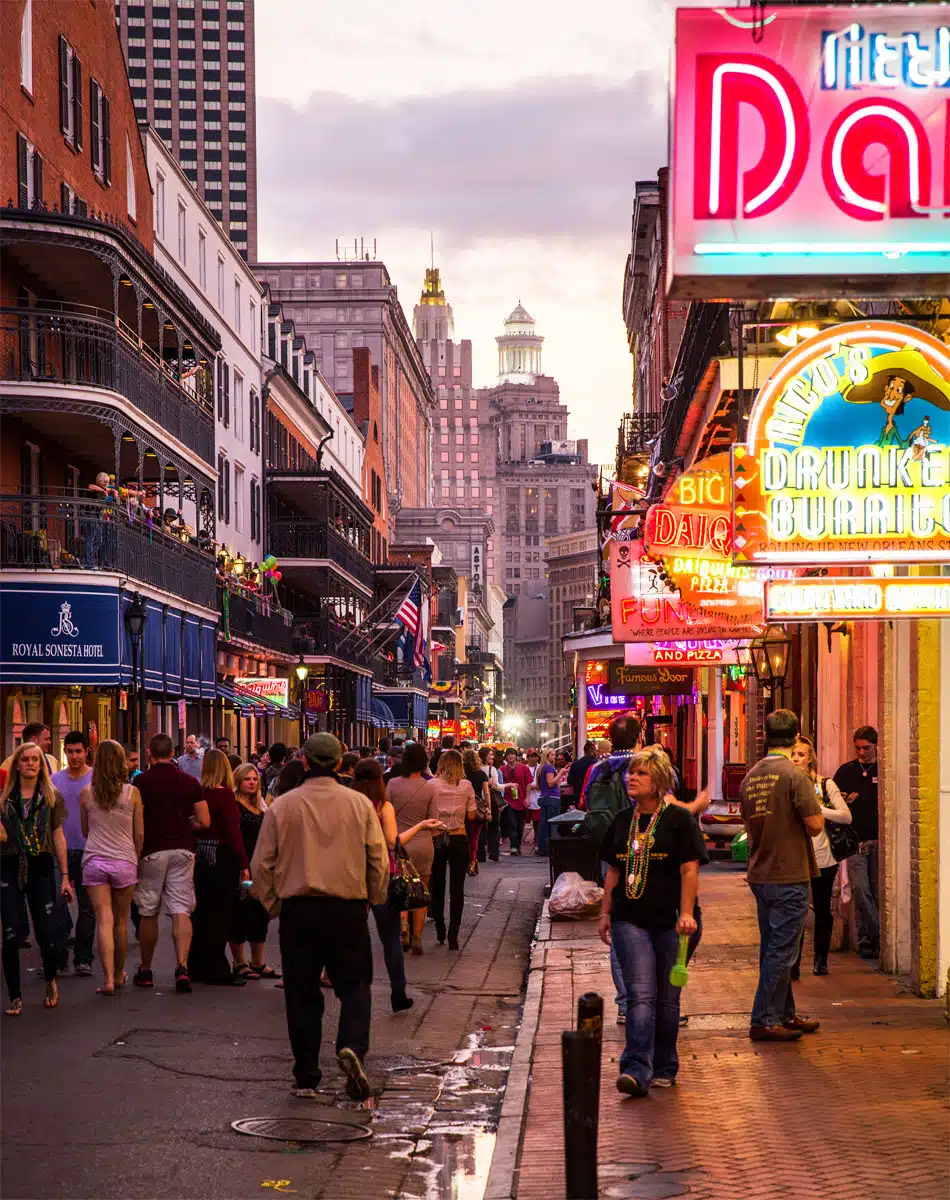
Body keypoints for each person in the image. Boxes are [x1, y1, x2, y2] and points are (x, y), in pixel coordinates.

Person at [251, 733, 389, 1101]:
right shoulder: (359, 805)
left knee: (301, 993)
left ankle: (307, 1076)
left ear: (306, 762)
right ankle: (351, 1047)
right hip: (347, 908)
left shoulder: (282, 806)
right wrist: (372, 898)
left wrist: (272, 903)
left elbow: (261, 863)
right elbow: (379, 858)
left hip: (300, 909)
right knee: (355, 986)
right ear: (342, 763)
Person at [598, 745, 704, 1096]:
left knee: (667, 1001)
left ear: (657, 781)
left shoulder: (678, 821)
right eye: (631, 772)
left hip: (672, 920)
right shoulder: (622, 822)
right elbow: (613, 869)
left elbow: (689, 869)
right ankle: (636, 1069)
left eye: (641, 773)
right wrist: (605, 912)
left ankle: (665, 1065)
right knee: (640, 996)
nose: (632, 777)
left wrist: (687, 913)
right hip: (631, 919)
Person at [739, 710, 824, 1043]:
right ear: (796, 737)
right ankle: (764, 1018)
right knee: (783, 952)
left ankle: (785, 1013)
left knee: (773, 948)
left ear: (766, 737)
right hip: (789, 873)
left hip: (761, 872)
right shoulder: (794, 775)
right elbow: (815, 825)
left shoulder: (752, 776)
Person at [353, 759, 442, 1008]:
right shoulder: (383, 807)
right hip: (383, 875)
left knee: (356, 937)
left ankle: (357, 992)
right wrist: (422, 825)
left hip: (353, 876)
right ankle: (398, 992)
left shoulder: (349, 806)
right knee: (390, 937)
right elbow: (393, 842)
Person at [133, 733, 210, 993]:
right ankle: (182, 966)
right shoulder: (189, 782)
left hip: (152, 850)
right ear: (173, 752)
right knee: (181, 909)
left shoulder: (140, 783)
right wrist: (186, 823)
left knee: (148, 910)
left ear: (149, 753)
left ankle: (145, 969)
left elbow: (137, 821)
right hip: (183, 849)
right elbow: (204, 820)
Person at [1, 744, 73, 1014]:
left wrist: (65, 876)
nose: (30, 764)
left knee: (47, 932)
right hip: (9, 866)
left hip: (42, 866)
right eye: (25, 760)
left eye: (35, 760)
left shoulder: (51, 798)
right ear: (17, 765)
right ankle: (15, 996)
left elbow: (58, 837)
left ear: (41, 765)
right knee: (10, 933)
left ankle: (51, 980)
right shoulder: (4, 800)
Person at [80, 740, 144, 995]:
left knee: (103, 921)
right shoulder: (132, 794)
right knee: (120, 921)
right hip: (124, 860)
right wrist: (134, 858)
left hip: (94, 859)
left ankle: (106, 980)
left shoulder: (87, 793)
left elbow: (86, 830)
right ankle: (119, 974)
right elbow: (139, 833)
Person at [790, 736, 852, 977]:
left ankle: (820, 959)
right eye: (793, 755)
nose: (796, 759)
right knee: (796, 911)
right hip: (795, 859)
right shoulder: (787, 784)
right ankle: (793, 965)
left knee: (822, 909)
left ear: (811, 758)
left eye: (801, 755)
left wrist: (818, 810)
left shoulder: (825, 784)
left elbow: (846, 817)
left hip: (823, 858)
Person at [189, 750, 250, 986]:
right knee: (221, 913)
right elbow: (233, 831)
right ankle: (217, 967)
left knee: (202, 912)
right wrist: (244, 864)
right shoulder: (225, 796)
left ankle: (197, 964)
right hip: (222, 854)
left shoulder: (202, 792)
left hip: (202, 853)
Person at [387, 743, 440, 954]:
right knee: (421, 890)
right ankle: (418, 936)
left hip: (400, 843)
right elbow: (434, 820)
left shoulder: (392, 784)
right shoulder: (430, 788)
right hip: (423, 843)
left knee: (400, 886)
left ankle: (403, 926)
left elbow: (386, 814)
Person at [833, 726, 880, 959]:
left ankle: (867, 938)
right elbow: (831, 800)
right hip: (855, 841)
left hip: (878, 840)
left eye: (867, 748)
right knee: (861, 890)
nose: (862, 752)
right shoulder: (846, 772)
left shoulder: (882, 770)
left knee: (876, 891)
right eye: (858, 748)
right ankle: (879, 935)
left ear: (876, 746)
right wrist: (842, 800)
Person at [228, 764, 278, 979]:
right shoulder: (234, 805)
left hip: (261, 867)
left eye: (254, 779)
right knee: (240, 912)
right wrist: (242, 865)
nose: (251, 782)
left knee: (260, 913)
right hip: (242, 865)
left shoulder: (261, 806)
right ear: (238, 781)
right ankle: (239, 961)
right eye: (247, 779)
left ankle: (258, 962)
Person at [51, 731, 95, 977]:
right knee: (57, 906)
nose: (75, 756)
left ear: (87, 751)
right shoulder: (55, 780)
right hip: (61, 851)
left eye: (79, 751)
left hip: (89, 850)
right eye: (70, 751)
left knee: (88, 908)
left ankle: (83, 958)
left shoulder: (95, 778)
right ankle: (58, 958)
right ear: (65, 752)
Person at [429, 750, 478, 950]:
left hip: (437, 837)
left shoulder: (431, 785)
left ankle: (440, 928)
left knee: (437, 886)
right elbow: (472, 815)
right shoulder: (466, 786)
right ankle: (453, 936)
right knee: (457, 889)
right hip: (458, 836)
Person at [461, 749, 492, 876]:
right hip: (477, 809)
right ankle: (473, 861)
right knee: (474, 837)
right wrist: (488, 809)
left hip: (462, 808)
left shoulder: (461, 774)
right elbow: (486, 793)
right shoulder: (481, 774)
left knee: (464, 837)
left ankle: (469, 861)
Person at [499, 748, 532, 855]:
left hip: (521, 800)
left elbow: (528, 784)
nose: (510, 756)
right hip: (508, 800)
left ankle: (517, 846)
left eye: (512, 754)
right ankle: (513, 846)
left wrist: (527, 797)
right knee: (511, 823)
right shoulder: (502, 769)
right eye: (508, 754)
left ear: (516, 756)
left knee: (519, 824)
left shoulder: (524, 768)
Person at [535, 748, 563, 858]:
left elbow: (540, 785)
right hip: (552, 798)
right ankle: (553, 849)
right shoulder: (549, 767)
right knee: (553, 824)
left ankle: (543, 848)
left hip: (544, 797)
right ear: (546, 756)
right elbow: (550, 783)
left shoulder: (541, 768)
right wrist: (560, 773)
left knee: (544, 824)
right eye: (552, 754)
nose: (554, 757)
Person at [476, 745, 503, 863]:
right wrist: (508, 785)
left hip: (479, 801)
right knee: (493, 827)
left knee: (480, 829)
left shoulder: (476, 770)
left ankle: (480, 854)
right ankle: (494, 853)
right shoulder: (492, 770)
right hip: (490, 800)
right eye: (490, 755)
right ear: (484, 757)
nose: (492, 757)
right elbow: (496, 786)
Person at [564, 740, 598, 811]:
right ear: (594, 751)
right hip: (594, 796)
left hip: (579, 796)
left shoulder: (575, 764)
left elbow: (570, 781)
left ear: (584, 751)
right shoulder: (597, 764)